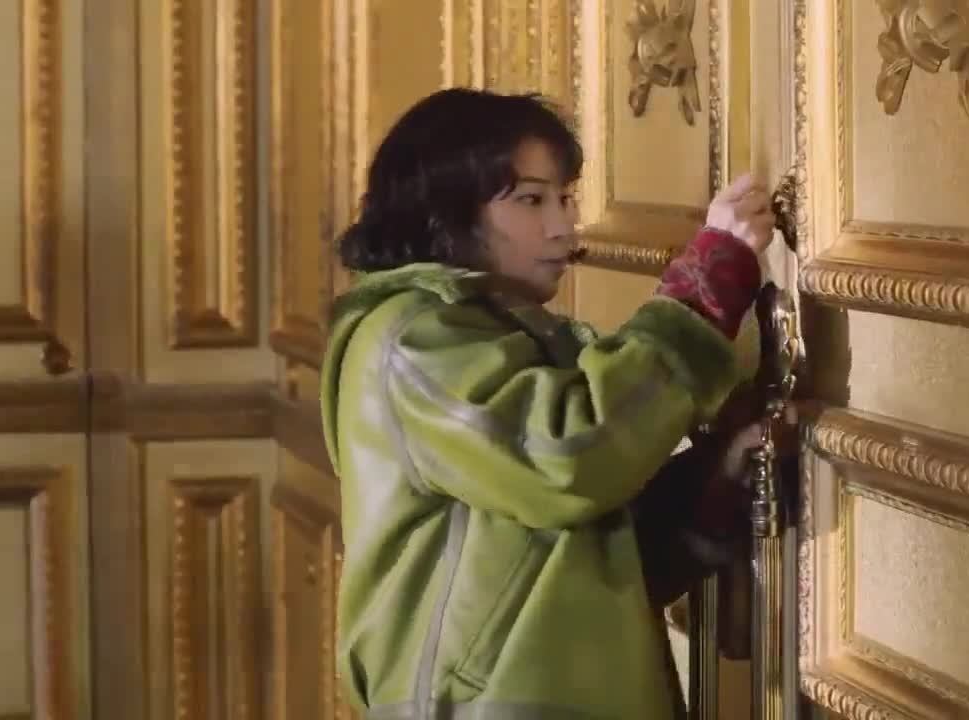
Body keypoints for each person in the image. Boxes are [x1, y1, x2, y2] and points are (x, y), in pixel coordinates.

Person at [319, 87, 776, 720]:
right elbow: (569, 458)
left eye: (566, 198)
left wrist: (711, 478)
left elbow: (567, 550)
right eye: (531, 200)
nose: (563, 226)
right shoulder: (417, 341)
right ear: (445, 212)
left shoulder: (491, 333)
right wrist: (705, 286)